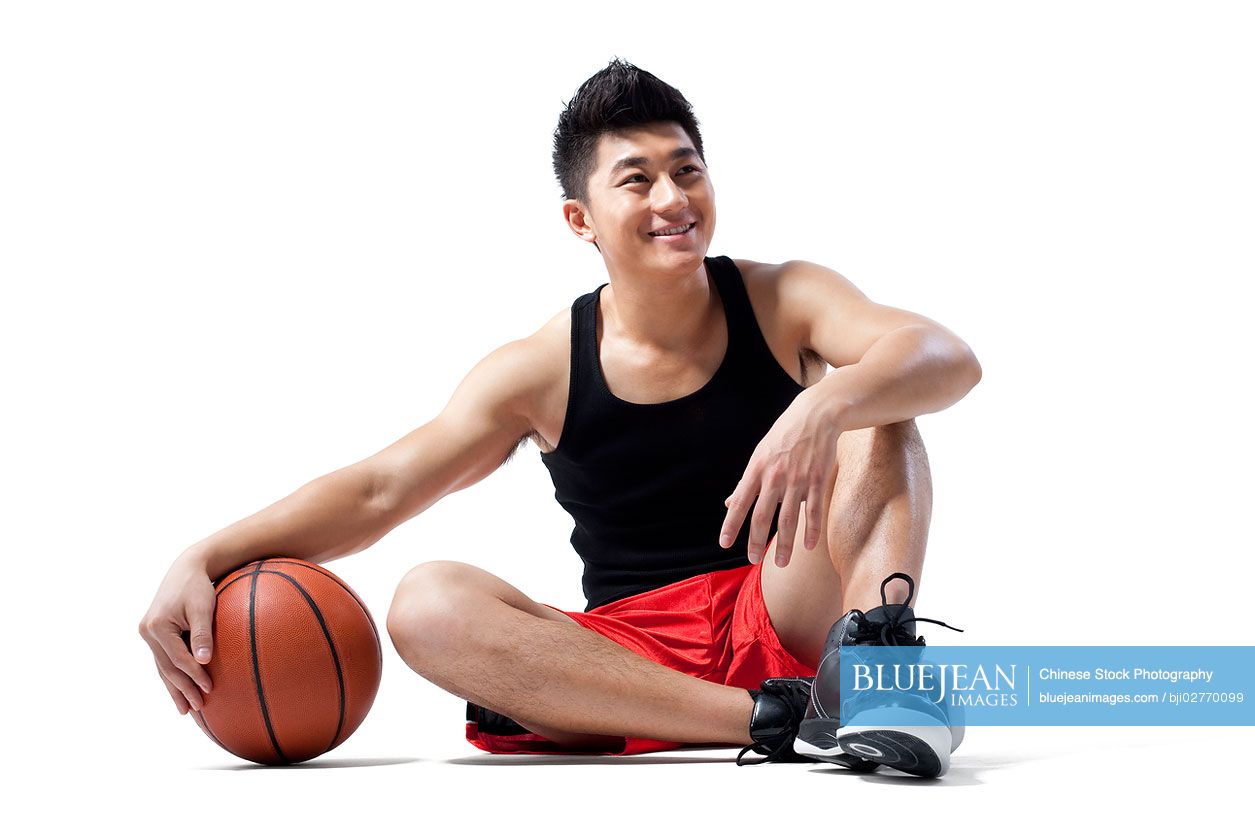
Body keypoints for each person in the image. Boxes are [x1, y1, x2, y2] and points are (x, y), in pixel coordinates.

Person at [139, 58, 982, 776]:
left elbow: (945, 356)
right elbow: (377, 492)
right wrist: (204, 555)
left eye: (687, 170)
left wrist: (822, 404)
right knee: (427, 601)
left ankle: (880, 688)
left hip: (784, 599)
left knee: (877, 402)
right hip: (623, 660)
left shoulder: (784, 297)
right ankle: (775, 720)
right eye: (636, 178)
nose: (671, 196)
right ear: (580, 219)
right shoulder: (540, 369)